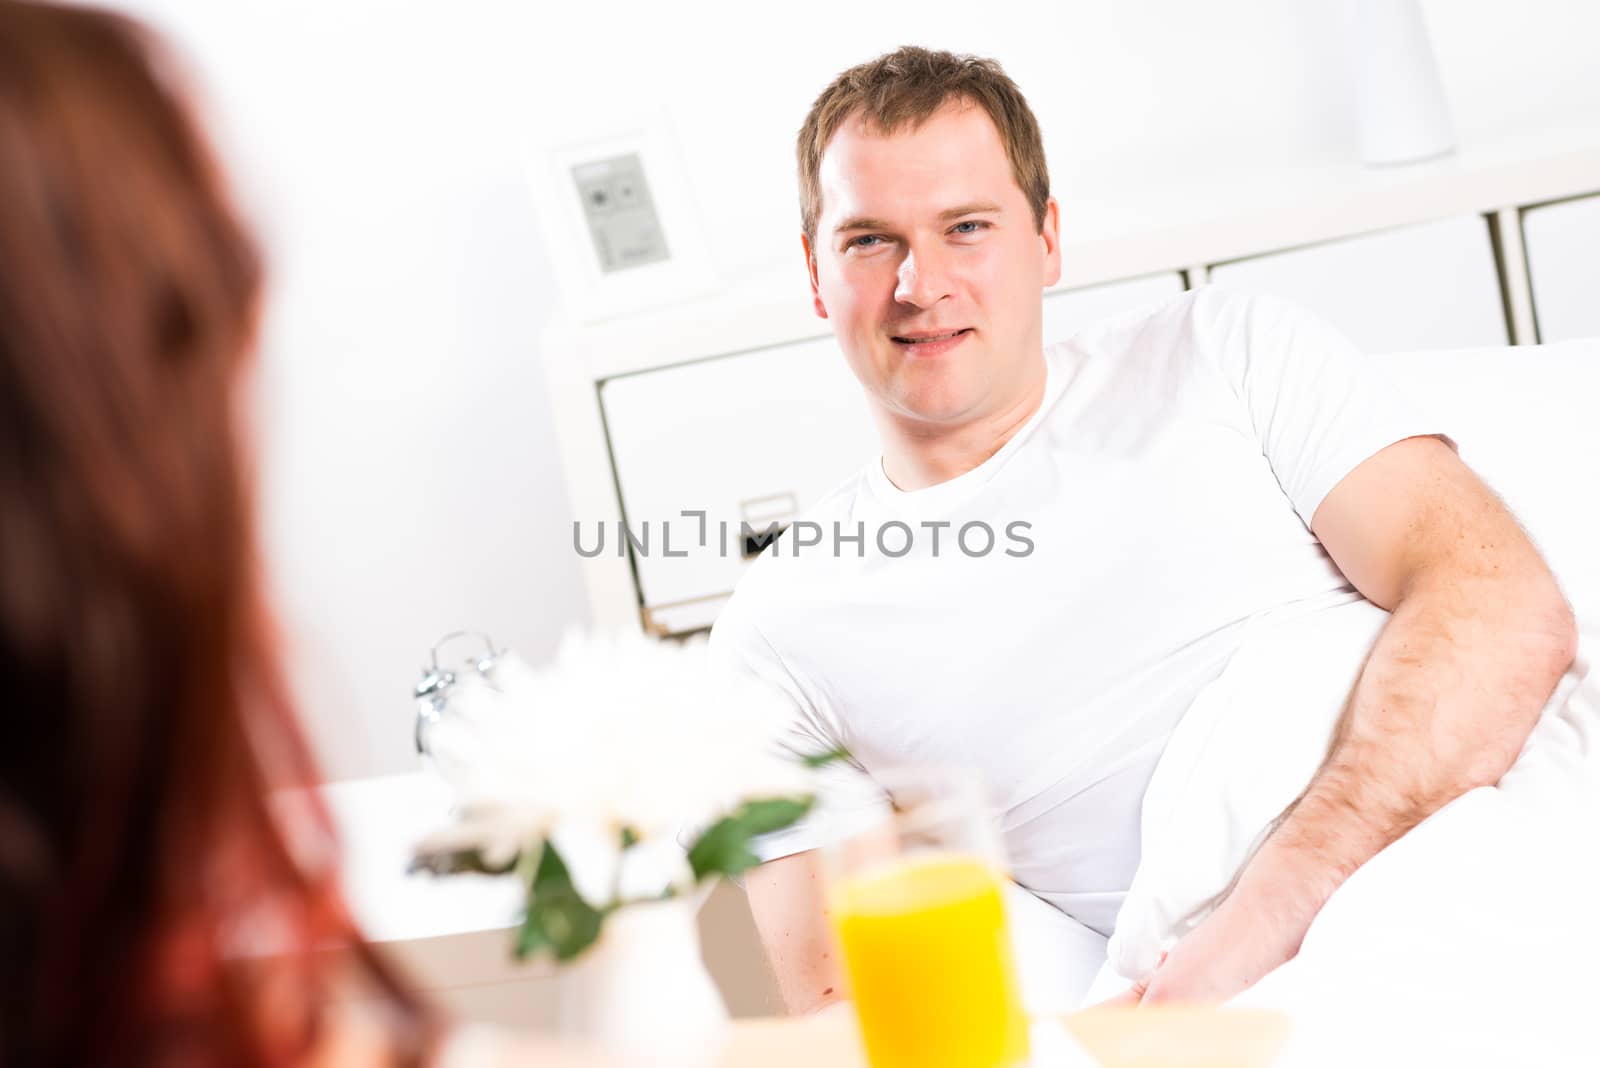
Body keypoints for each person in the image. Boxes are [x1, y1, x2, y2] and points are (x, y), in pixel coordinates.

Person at [709, 45, 1577, 1012]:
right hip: (1231, 998)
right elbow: (852, 1009)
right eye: (869, 239)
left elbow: (1503, 605)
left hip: (1489, 824)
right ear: (816, 273)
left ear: (1046, 237)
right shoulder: (779, 632)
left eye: (967, 226)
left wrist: (1267, 915)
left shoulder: (1223, 352)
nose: (922, 282)